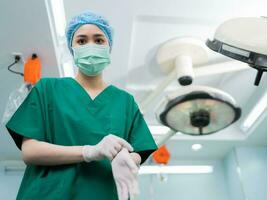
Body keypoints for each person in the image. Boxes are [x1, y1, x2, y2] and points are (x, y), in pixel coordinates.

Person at [5, 11, 157, 200]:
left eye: (99, 40)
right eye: (82, 41)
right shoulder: (47, 89)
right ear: (72, 47)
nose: (91, 46)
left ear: (109, 46)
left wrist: (127, 158)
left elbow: (138, 152)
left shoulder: (125, 102)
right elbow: (29, 152)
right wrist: (89, 151)